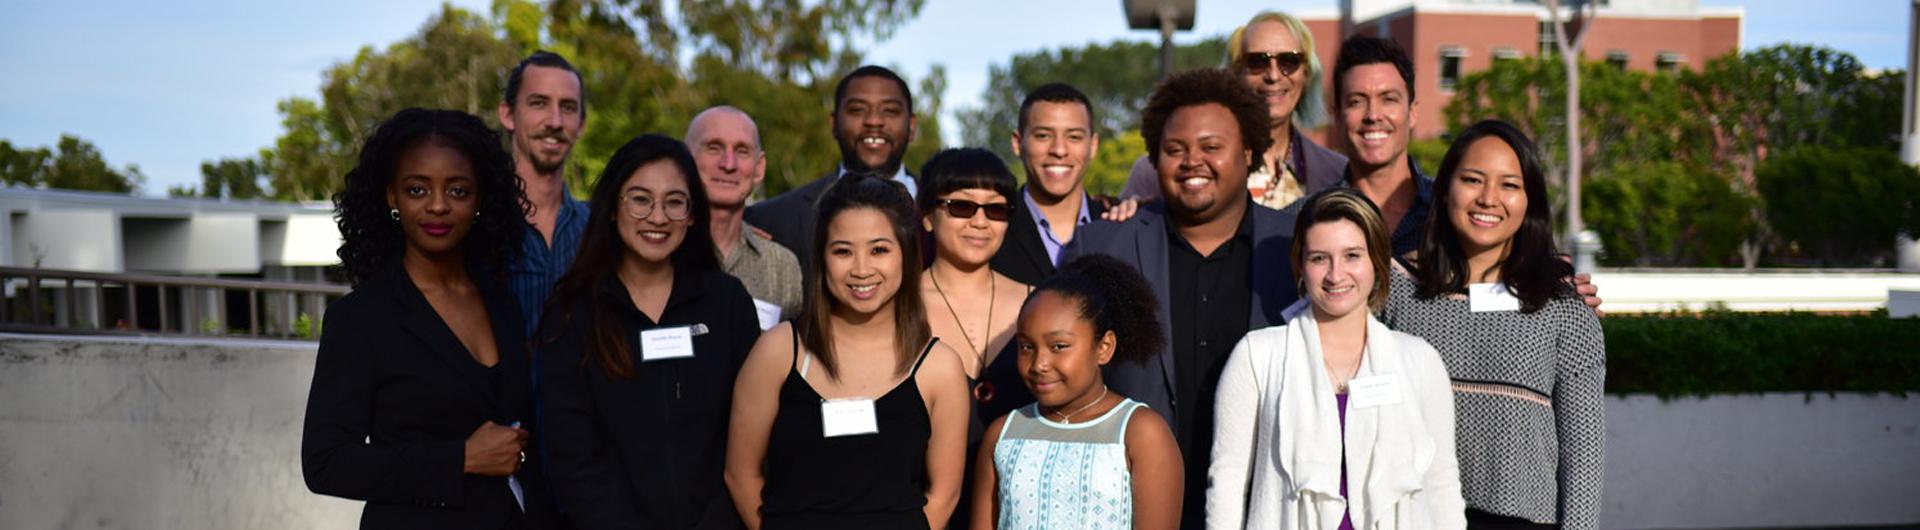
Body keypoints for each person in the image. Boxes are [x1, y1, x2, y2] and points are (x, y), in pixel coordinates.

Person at [1062, 67, 1295, 530]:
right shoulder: (1102, 248)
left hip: (1266, 507)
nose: (1192, 161)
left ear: (1247, 151)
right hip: (1128, 507)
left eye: (1211, 147)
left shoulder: (1296, 249)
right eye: (1175, 150)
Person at [302, 108, 546, 529]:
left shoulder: (499, 299)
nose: (438, 206)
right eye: (417, 190)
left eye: (458, 190)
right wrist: (461, 459)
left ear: (481, 199)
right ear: (391, 197)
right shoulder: (360, 318)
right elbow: (326, 463)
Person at [1381, 120, 1605, 530]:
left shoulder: (1564, 307)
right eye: (1472, 180)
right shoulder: (1390, 289)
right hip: (1407, 516)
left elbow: (1583, 453)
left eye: (1509, 185)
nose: (1488, 199)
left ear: (1529, 201)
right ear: (1445, 188)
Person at [537, 134, 761, 529]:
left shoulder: (726, 303)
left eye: (674, 202)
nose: (657, 217)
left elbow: (753, 434)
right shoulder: (572, 311)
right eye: (640, 199)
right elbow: (571, 456)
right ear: (611, 207)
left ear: (692, 215)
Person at [1208, 188, 1464, 529]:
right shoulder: (1258, 355)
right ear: (1301, 266)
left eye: (1352, 256)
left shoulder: (1420, 360)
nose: (1335, 274)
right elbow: (1227, 481)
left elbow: (1441, 485)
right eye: (1319, 258)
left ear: (1376, 260)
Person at [725, 175, 971, 529]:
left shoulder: (940, 367)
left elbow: (944, 495)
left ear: (907, 252)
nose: (861, 269)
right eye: (842, 251)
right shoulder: (777, 352)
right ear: (821, 258)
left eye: (879, 250)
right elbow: (740, 474)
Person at [1320, 36, 1604, 309]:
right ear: (1336, 112)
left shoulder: (1464, 210)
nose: (1373, 115)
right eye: (1357, 101)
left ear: (1413, 111)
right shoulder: (1305, 221)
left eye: (1388, 99)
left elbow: (1515, 287)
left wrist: (1563, 299)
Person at [970, 254, 1184, 530]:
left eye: (1058, 346)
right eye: (1026, 346)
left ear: (1104, 347)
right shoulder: (1002, 434)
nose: (1039, 364)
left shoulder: (1141, 432)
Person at [1122, 11, 1346, 210]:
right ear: (1234, 72)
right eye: (1257, 61)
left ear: (1307, 74)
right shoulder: (1158, 172)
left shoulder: (1339, 172)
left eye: (1289, 61)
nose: (1273, 76)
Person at [746, 66, 920, 276]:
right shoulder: (770, 220)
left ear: (911, 126)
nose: (874, 121)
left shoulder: (956, 215)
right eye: (857, 110)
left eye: (890, 111)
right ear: (834, 123)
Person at [686, 105, 805, 328]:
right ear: (685, 157)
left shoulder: (781, 266)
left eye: (742, 151)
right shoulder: (658, 255)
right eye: (714, 148)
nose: (728, 164)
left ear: (759, 168)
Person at [500, 50, 591, 337]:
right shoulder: (476, 225)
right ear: (508, 114)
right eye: (539, 103)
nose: (554, 121)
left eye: (568, 107)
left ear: (581, 125)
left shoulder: (598, 229)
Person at [990, 83, 1113, 285]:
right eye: (1043, 136)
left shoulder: (1121, 226)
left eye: (1074, 137)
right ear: (1017, 142)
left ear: (1093, 145)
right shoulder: (991, 228)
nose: (1059, 150)